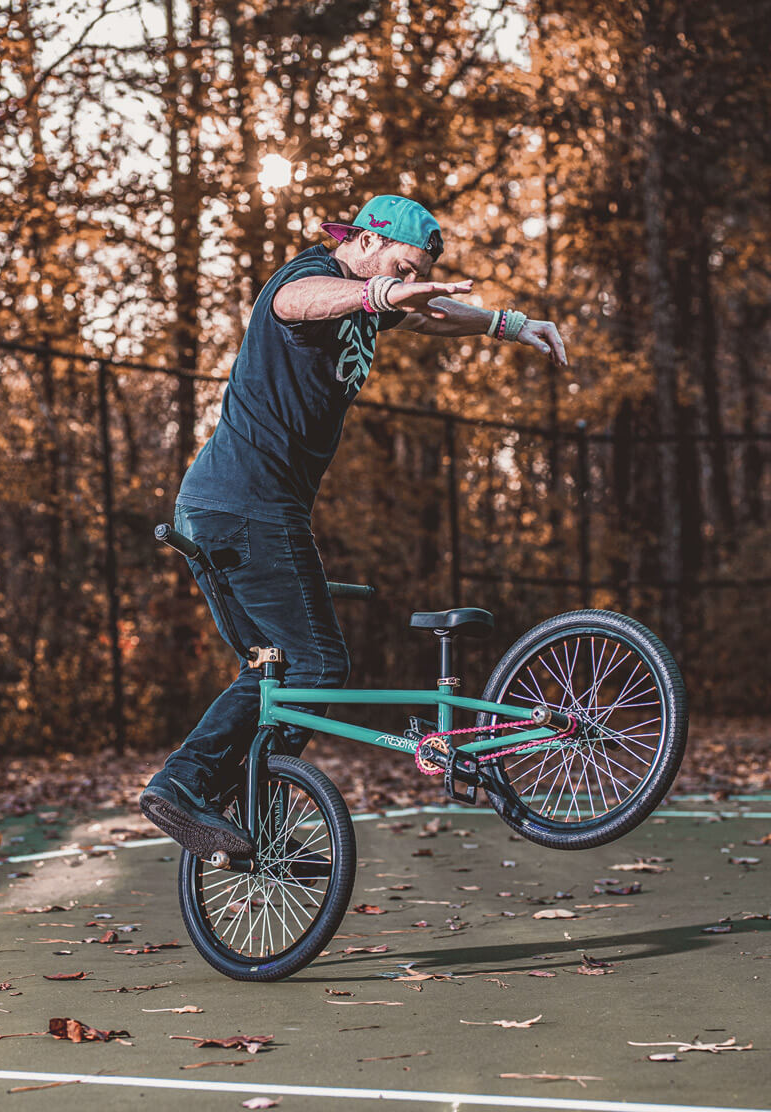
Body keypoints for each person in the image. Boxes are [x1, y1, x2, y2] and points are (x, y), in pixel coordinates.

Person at [140, 194, 567, 861]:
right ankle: (185, 781)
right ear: (365, 243)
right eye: (398, 268)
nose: (401, 288)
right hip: (248, 507)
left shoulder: (370, 302)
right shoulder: (308, 279)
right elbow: (299, 300)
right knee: (317, 664)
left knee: (275, 673)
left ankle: (246, 815)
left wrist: (506, 324)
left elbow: (428, 314)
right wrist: (378, 291)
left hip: (225, 508)